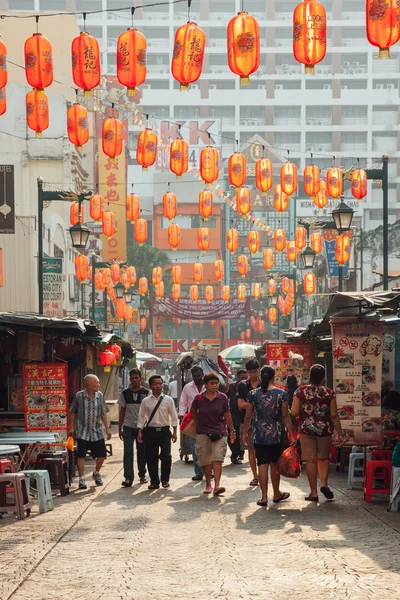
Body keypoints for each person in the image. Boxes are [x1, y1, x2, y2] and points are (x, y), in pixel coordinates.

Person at [242, 366, 294, 506]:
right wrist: (292, 435)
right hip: (276, 435)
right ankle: (276, 493)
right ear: (273, 377)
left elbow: (248, 416)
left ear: (261, 377)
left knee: (262, 465)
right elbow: (285, 416)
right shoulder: (281, 394)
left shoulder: (253, 394)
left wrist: (245, 433)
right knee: (274, 465)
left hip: (258, 434)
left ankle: (264, 497)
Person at [291, 364, 343, 502]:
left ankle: (313, 493)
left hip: (306, 430)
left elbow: (294, 412)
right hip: (325, 430)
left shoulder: (300, 392)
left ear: (310, 376)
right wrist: (340, 433)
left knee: (310, 460)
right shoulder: (329, 392)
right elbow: (333, 414)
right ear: (323, 377)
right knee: (323, 458)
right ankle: (324, 485)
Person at [190, 371, 235, 496]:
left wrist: (232, 431)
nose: (215, 385)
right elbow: (193, 412)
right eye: (212, 383)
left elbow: (227, 415)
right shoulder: (199, 398)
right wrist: (198, 422)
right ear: (206, 384)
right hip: (203, 432)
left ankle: (217, 485)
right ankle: (208, 485)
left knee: (218, 458)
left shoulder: (223, 398)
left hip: (220, 431)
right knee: (206, 460)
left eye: (216, 383)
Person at [69, 374, 111, 490]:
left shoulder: (99, 396)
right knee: (81, 454)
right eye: (96, 383)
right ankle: (82, 479)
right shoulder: (79, 396)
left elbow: (103, 413)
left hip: (97, 430)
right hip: (82, 430)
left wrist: (107, 429)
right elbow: (73, 412)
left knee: (102, 454)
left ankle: (96, 472)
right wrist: (72, 427)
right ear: (89, 385)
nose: (98, 385)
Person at [137, 375, 178, 490]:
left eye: (160, 383)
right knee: (151, 457)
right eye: (156, 383)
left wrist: (174, 432)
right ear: (150, 386)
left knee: (166, 456)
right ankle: (154, 481)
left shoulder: (168, 400)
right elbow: (141, 418)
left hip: (165, 431)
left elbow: (174, 417)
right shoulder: (145, 401)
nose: (158, 386)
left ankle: (165, 479)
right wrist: (140, 432)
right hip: (150, 432)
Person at [118, 368, 148, 487]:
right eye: (132, 378)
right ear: (130, 379)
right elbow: (122, 411)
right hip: (128, 427)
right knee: (128, 452)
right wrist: (120, 428)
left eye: (136, 378)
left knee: (142, 452)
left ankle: (142, 475)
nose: (134, 380)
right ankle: (128, 478)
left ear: (140, 379)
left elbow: (149, 411)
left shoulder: (146, 393)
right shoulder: (125, 393)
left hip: (142, 427)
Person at [178, 366, 205, 481]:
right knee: (195, 447)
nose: (197, 378)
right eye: (195, 376)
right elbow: (183, 403)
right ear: (192, 376)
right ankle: (198, 473)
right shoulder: (187, 387)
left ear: (202, 374)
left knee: (208, 447)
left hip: (208, 419)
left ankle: (209, 470)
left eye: (199, 375)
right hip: (193, 420)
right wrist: (182, 417)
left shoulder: (208, 386)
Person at [238, 359, 260, 486]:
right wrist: (256, 404)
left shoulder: (264, 383)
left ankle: (260, 474)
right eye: (250, 372)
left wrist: (249, 405)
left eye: (254, 371)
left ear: (258, 370)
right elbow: (240, 404)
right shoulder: (242, 385)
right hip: (247, 421)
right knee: (251, 450)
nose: (252, 374)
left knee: (260, 450)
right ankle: (255, 475)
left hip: (262, 422)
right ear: (247, 372)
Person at [227, 369, 247, 464]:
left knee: (240, 436)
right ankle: (234, 453)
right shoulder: (232, 386)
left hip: (243, 416)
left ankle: (239, 454)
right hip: (232, 415)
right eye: (241, 378)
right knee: (231, 435)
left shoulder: (246, 387)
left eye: (245, 378)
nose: (243, 379)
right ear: (237, 377)